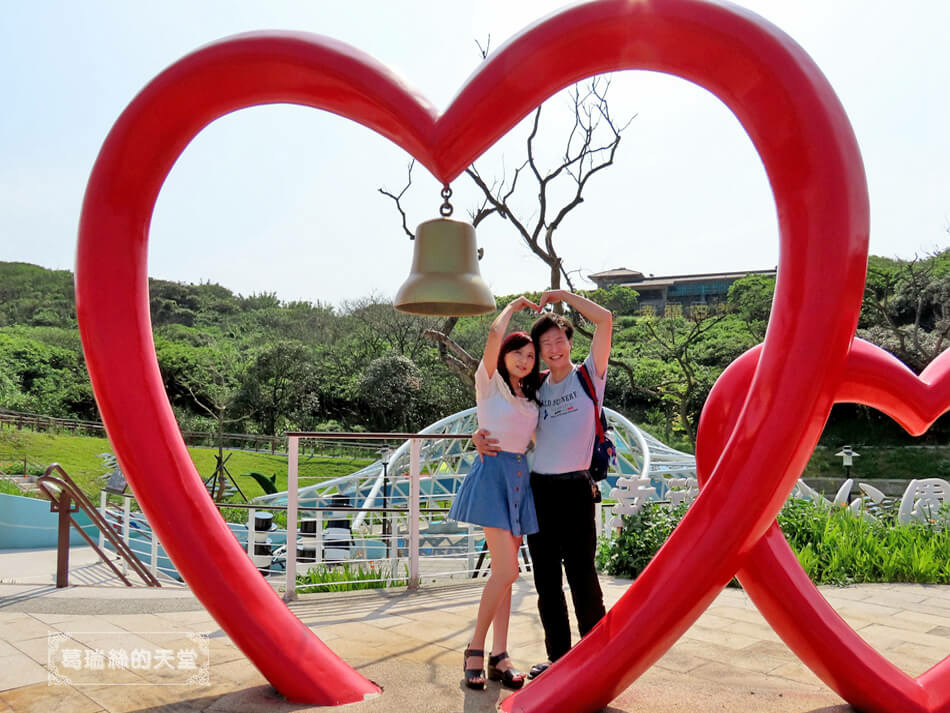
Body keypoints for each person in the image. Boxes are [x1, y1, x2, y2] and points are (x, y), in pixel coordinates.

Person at [473, 289, 612, 680]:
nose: (552, 348)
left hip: (576, 487)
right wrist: (477, 435)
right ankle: (559, 658)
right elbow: (507, 419)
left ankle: (595, 653)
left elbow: (605, 319)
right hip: (537, 490)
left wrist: (563, 295)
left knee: (582, 573)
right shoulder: (536, 388)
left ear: (569, 342)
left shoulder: (589, 376)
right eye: (544, 343)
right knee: (546, 578)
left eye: (558, 340)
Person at [448, 295, 542, 691]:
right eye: (518, 353)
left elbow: (541, 441)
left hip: (520, 479)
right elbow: (492, 332)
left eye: (531, 356)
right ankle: (475, 647)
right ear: (505, 356)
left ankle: (500, 655)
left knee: (505, 577)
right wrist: (513, 307)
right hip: (493, 478)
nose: (525, 360)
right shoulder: (489, 385)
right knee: (507, 570)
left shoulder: (531, 399)